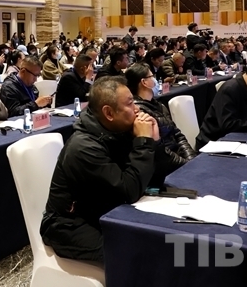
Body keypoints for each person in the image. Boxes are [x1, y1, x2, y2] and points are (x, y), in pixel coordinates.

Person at [40, 76, 159, 263]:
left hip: (102, 209)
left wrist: (154, 140)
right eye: (130, 104)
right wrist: (144, 143)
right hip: (69, 224)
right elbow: (129, 190)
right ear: (109, 113)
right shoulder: (83, 148)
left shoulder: (117, 129)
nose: (137, 109)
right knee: (139, 256)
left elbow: (150, 176)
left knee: (160, 240)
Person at [126, 63, 196, 171]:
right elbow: (159, 152)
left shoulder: (158, 104)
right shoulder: (140, 113)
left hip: (179, 160)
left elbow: (178, 135)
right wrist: (186, 165)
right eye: (152, 76)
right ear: (144, 82)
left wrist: (191, 159)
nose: (155, 79)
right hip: (167, 168)